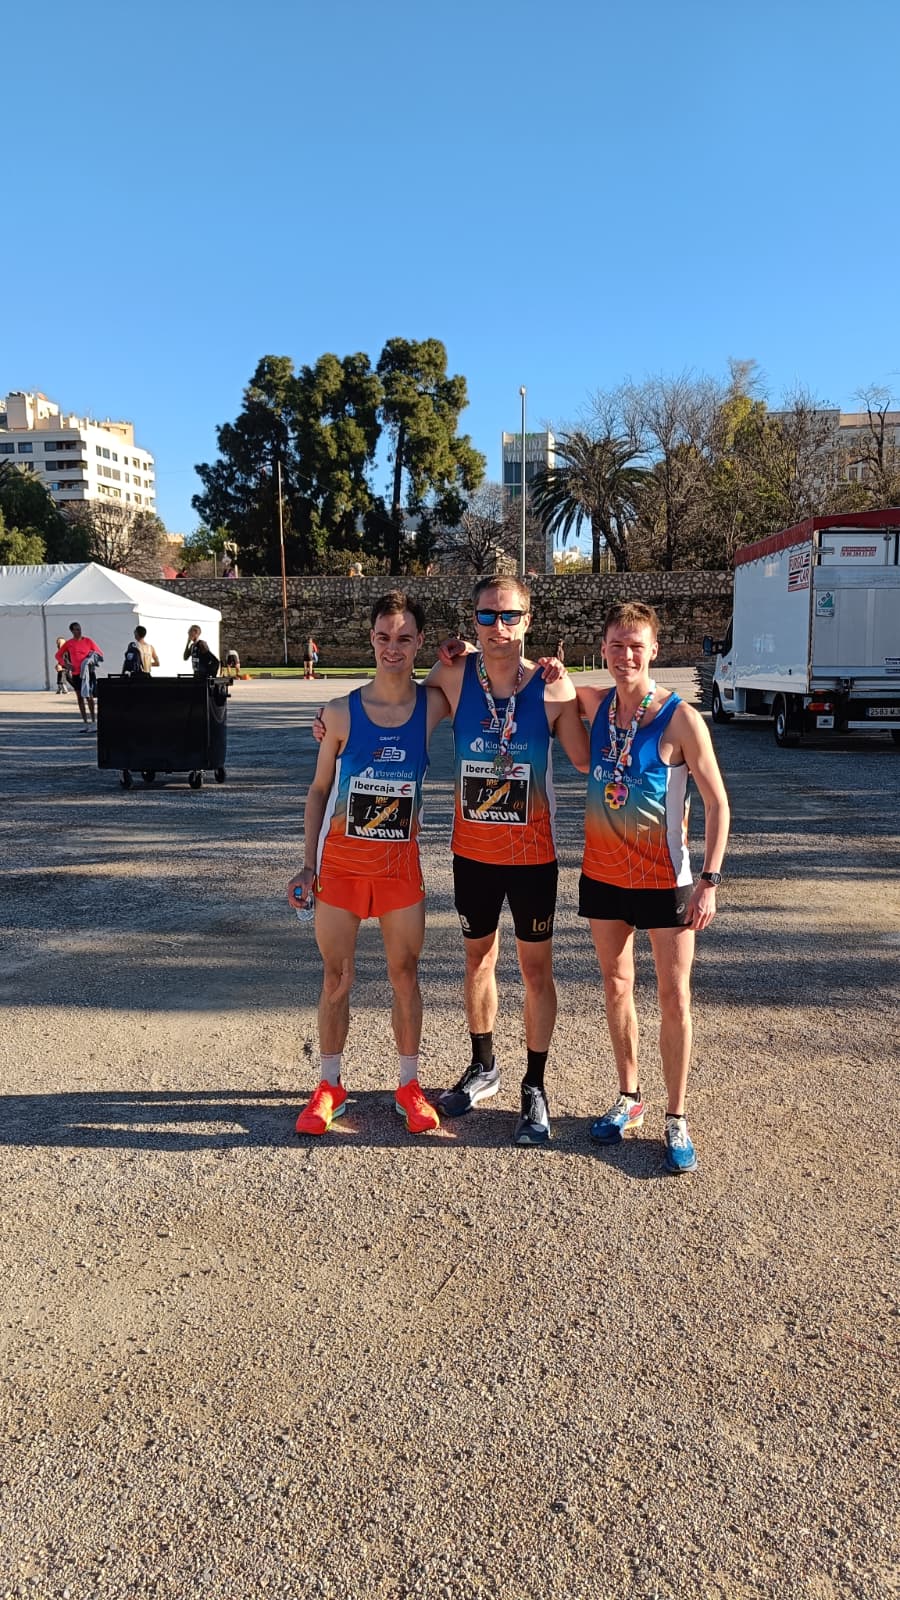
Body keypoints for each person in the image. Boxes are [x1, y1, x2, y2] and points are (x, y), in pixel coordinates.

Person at [426, 576, 590, 1145]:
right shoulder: (450, 675)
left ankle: (536, 1085)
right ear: (472, 620)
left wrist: (663, 740)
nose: (499, 626)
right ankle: (484, 1066)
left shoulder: (551, 689)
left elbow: (589, 760)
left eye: (510, 615)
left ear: (529, 618)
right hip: (472, 852)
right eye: (488, 615)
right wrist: (333, 726)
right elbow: (395, 709)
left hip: (533, 857)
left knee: (535, 970)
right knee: (477, 961)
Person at [573, 601, 730, 1174]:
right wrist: (466, 654)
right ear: (604, 648)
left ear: (654, 650)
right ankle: (629, 1097)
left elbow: (717, 803)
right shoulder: (594, 705)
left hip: (667, 883)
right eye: (616, 644)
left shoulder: (682, 719)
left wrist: (709, 881)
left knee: (674, 997)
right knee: (617, 988)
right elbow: (529, 685)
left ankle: (676, 1115)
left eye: (636, 645)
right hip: (604, 877)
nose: (625, 655)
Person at [288, 592, 450, 1138]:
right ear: (371, 639)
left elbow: (488, 680)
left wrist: (467, 647)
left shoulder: (432, 705)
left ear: (419, 642)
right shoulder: (338, 712)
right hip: (341, 869)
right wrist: (306, 865)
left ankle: (408, 1085)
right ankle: (330, 1083)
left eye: (404, 638)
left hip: (400, 870)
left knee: (405, 975)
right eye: (384, 637)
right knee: (337, 977)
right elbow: (317, 791)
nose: (393, 648)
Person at [55, 622, 103, 730]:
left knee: (89, 697)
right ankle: (85, 723)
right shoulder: (69, 643)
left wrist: (91, 660)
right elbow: (58, 655)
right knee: (80, 697)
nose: (79, 631)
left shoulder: (88, 641)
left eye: (79, 629)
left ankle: (93, 721)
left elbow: (99, 653)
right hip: (76, 674)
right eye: (76, 629)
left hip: (88, 673)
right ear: (72, 631)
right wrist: (65, 664)